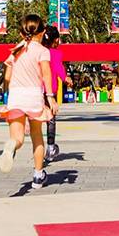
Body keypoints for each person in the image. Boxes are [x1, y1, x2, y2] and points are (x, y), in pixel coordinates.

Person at [0, 14, 58, 188]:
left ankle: (11, 146)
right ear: (43, 32)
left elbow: (7, 77)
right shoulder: (42, 51)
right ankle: (38, 175)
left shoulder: (16, 50)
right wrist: (50, 97)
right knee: (37, 136)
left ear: (20, 33)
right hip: (34, 97)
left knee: (17, 138)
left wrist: (6, 95)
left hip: (15, 97)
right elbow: (47, 74)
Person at [40, 25, 69, 162]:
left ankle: (37, 147)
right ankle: (50, 147)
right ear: (56, 39)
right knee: (50, 119)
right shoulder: (56, 53)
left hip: (36, 89)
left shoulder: (37, 51)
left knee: (36, 119)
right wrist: (65, 78)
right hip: (50, 90)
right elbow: (58, 67)